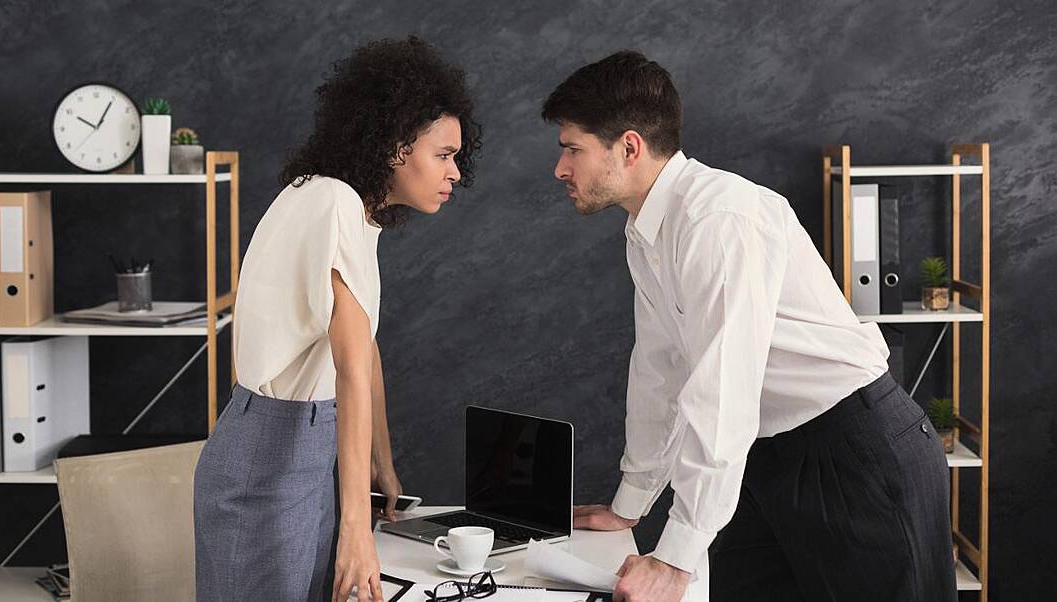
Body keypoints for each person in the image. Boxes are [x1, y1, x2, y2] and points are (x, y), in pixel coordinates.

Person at [543, 50, 955, 602]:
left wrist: (673, 559)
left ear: (630, 146)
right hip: (769, 457)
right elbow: (660, 371)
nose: (561, 169)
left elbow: (724, 387)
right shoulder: (646, 233)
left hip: (855, 450)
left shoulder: (718, 219)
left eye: (573, 149)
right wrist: (631, 503)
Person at [193, 36, 480, 602]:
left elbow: (362, 349)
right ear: (396, 146)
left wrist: (382, 463)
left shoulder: (343, 207)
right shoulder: (333, 203)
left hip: (306, 452)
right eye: (443, 154)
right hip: (267, 462)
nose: (455, 173)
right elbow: (350, 367)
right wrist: (356, 531)